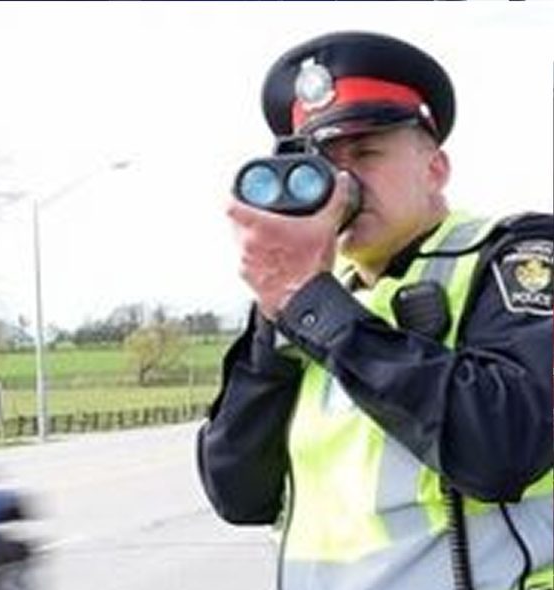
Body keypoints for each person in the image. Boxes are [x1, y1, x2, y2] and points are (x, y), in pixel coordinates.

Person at [196, 31, 553, 590]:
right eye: (322, 165)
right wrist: (276, 320)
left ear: (435, 168)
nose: (343, 185)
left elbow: (504, 449)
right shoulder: (316, 297)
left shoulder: (513, 255)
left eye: (365, 154)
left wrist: (315, 307)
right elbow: (237, 492)